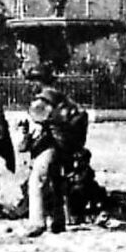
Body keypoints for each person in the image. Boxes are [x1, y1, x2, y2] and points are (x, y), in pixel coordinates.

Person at [18, 86, 87, 237]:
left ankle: (37, 222)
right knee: (56, 183)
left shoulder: (44, 100)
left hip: (49, 148)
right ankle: (58, 220)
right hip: (65, 148)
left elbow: (35, 129)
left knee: (36, 181)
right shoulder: (64, 101)